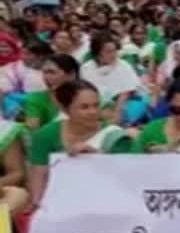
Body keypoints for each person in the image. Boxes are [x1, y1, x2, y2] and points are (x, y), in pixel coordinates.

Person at [27, 80, 133, 209]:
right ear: (65, 109)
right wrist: (39, 206)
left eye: (96, 105)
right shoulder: (45, 135)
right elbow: (39, 176)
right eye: (84, 107)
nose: (93, 112)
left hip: (107, 203)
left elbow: (124, 182)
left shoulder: (114, 136)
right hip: (60, 203)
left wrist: (95, 157)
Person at [79, 32, 148, 126]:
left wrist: (116, 114)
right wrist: (99, 111)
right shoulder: (86, 68)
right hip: (96, 106)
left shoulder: (123, 65)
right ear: (97, 53)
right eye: (108, 51)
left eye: (115, 50)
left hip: (124, 104)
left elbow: (125, 93)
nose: (113, 54)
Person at [24, 54, 79, 130]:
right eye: (44, 72)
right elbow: (32, 130)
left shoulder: (88, 95)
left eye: (51, 72)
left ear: (71, 75)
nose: (46, 77)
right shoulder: (36, 99)